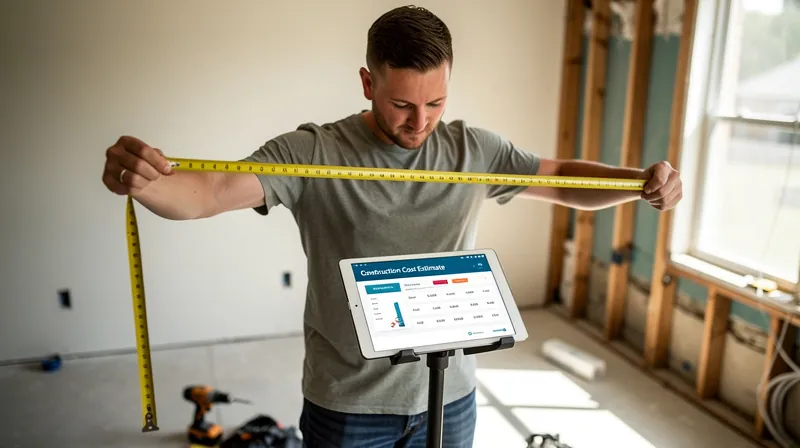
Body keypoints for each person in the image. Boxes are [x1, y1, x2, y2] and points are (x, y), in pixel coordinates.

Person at [101, 5, 682, 447]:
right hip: (348, 402)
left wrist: (640, 182)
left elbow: (562, 178)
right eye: (404, 104)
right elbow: (209, 192)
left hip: (451, 396)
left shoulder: (473, 150)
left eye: (436, 103)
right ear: (367, 82)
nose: (420, 122)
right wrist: (146, 183)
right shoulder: (312, 151)